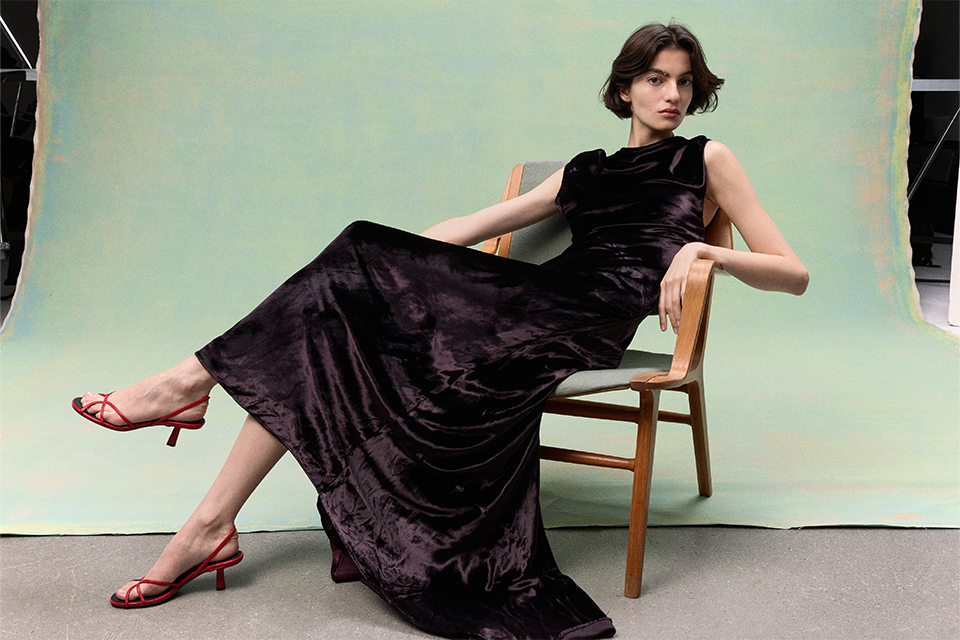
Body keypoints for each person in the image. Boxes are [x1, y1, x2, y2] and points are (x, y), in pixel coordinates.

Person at [72, 22, 808, 640]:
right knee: (337, 302)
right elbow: (479, 223)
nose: (672, 95)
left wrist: (704, 248)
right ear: (625, 90)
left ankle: (184, 393)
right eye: (654, 79)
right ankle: (206, 522)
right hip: (531, 299)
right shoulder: (585, 171)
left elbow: (792, 271)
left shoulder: (705, 158)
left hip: (584, 320)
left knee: (350, 275)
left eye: (683, 81)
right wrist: (388, 271)